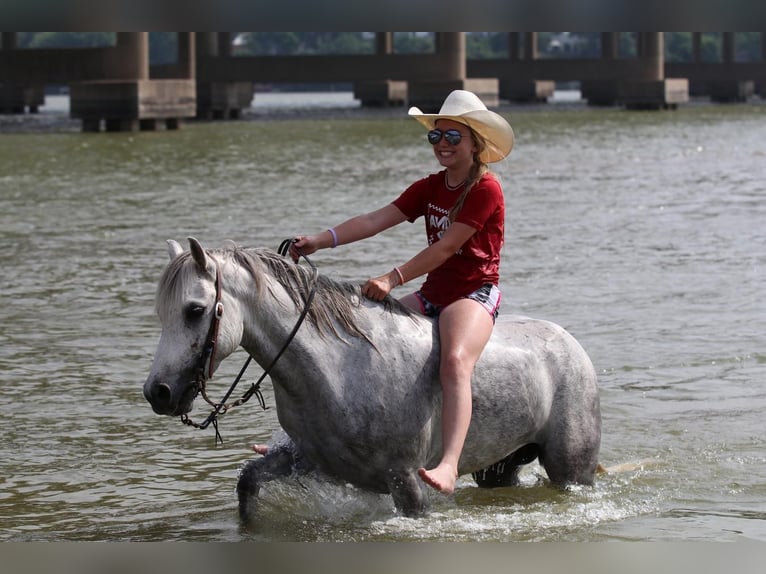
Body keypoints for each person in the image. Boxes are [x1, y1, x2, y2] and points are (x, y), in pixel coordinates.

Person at [260, 89, 514, 495]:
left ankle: (449, 463)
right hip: (433, 293)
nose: (443, 145)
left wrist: (393, 278)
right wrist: (319, 241)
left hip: (472, 295)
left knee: (454, 362)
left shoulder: (486, 189)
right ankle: (299, 442)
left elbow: (446, 247)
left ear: (474, 142)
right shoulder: (429, 187)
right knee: (357, 340)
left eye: (453, 137)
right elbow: (375, 219)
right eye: (436, 137)